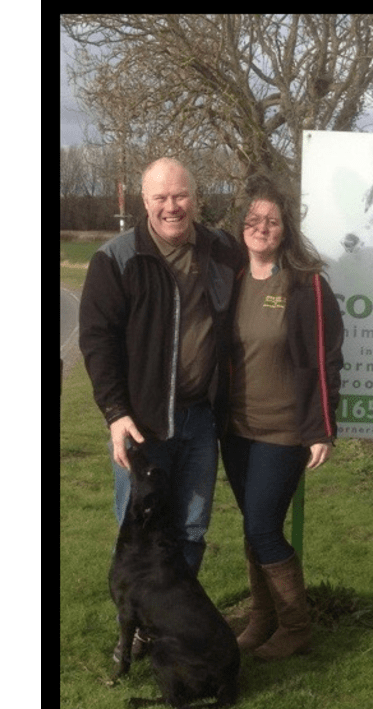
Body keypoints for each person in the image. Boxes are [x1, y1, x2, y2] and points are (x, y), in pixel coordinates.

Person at [79, 158, 244, 584]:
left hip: (201, 419)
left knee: (191, 528)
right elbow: (98, 343)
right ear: (145, 201)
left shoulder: (223, 249)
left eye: (181, 195)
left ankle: (177, 623)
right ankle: (136, 628)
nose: (172, 206)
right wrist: (115, 414)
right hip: (142, 421)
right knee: (137, 529)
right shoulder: (116, 259)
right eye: (161, 197)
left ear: (196, 197)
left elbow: (270, 270)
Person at [222, 174, 344, 661]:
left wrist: (322, 430)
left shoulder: (306, 286)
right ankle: (261, 618)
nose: (261, 227)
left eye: (271, 220)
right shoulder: (229, 280)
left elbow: (325, 359)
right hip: (234, 431)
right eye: (253, 219)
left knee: (264, 527)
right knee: (252, 526)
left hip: (284, 431)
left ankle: (295, 627)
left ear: (285, 228)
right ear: (242, 226)